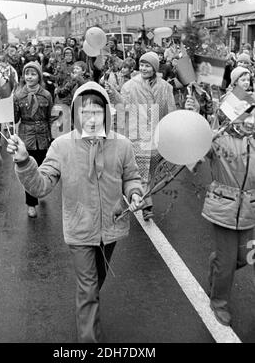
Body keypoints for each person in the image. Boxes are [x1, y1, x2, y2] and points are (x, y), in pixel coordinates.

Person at [7, 81, 143, 343]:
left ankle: (85, 310)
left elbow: (131, 178)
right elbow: (41, 184)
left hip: (112, 227)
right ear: (75, 114)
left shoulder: (123, 145)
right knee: (89, 288)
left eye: (96, 112)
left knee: (95, 284)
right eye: (84, 112)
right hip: (79, 229)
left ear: (106, 113)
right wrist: (24, 161)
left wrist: (135, 194)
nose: (91, 118)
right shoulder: (61, 146)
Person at [185, 96, 255, 327]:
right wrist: (203, 134)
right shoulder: (219, 140)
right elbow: (191, 162)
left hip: (250, 211)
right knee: (227, 264)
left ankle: (217, 264)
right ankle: (219, 302)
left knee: (246, 257)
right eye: (246, 114)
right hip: (223, 208)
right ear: (236, 116)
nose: (251, 121)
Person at [106, 51, 176, 221]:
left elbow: (170, 110)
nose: (144, 68)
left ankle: (144, 197)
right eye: (142, 65)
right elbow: (123, 108)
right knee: (141, 171)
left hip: (157, 134)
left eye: (148, 65)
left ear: (155, 67)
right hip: (137, 133)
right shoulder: (130, 86)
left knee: (151, 171)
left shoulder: (165, 87)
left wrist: (171, 130)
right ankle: (146, 205)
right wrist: (114, 95)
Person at [13, 61, 53, 218]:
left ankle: (40, 189)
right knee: (28, 171)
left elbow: (52, 117)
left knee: (41, 167)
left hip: (43, 136)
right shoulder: (18, 95)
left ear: (39, 76)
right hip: (26, 136)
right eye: (27, 74)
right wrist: (9, 106)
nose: (29, 77)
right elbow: (15, 118)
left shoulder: (47, 95)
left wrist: (53, 136)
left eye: (33, 74)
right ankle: (31, 203)